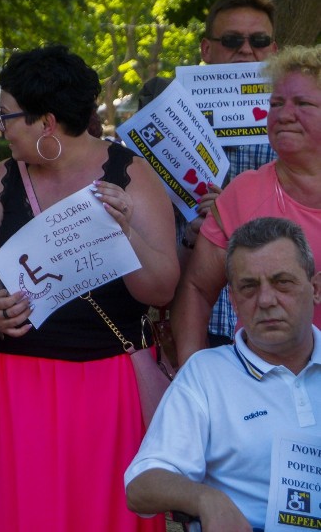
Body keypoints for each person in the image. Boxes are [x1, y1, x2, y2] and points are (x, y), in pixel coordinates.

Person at [0, 45, 179, 531]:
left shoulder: (130, 174)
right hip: (15, 381)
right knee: (24, 511)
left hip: (105, 383)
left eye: (7, 117)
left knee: (100, 513)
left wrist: (125, 233)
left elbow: (160, 290)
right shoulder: (3, 177)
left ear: (47, 123)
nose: (1, 127)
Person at [125, 217, 321, 532]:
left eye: (282, 281)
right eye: (249, 286)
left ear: (315, 289)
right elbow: (141, 484)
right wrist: (205, 498)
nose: (266, 300)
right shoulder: (207, 375)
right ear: (232, 299)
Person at [172, 44, 321, 366]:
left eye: (303, 103)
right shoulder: (244, 192)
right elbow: (197, 289)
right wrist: (196, 376)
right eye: (276, 103)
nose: (284, 115)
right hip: (260, 384)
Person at [171, 0, 280, 356]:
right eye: (232, 40)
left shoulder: (295, 129)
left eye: (259, 41)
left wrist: (236, 208)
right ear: (206, 49)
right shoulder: (169, 127)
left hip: (274, 324)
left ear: (274, 49)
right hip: (193, 325)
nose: (247, 50)